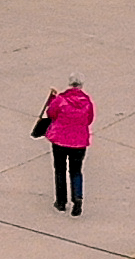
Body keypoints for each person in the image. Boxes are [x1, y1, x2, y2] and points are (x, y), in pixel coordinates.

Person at [35, 78, 93, 214]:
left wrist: (52, 100)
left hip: (60, 141)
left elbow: (51, 114)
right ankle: (77, 198)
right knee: (76, 171)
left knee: (60, 170)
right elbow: (89, 120)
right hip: (79, 142)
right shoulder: (87, 103)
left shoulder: (61, 99)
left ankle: (61, 202)